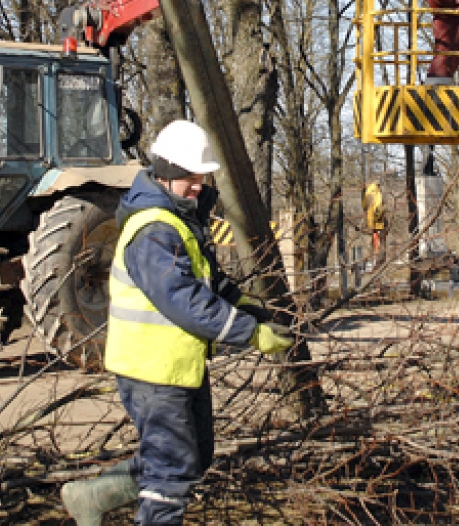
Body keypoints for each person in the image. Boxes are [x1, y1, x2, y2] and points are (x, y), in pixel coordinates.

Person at [61, 119, 293, 526]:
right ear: (167, 174)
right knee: (171, 469)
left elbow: (205, 281)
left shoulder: (179, 221)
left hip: (176, 366)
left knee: (194, 456)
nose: (199, 184)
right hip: (152, 370)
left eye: (201, 175)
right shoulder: (153, 230)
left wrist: (247, 306)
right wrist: (251, 333)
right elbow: (181, 299)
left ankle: (91, 497)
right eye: (191, 176)